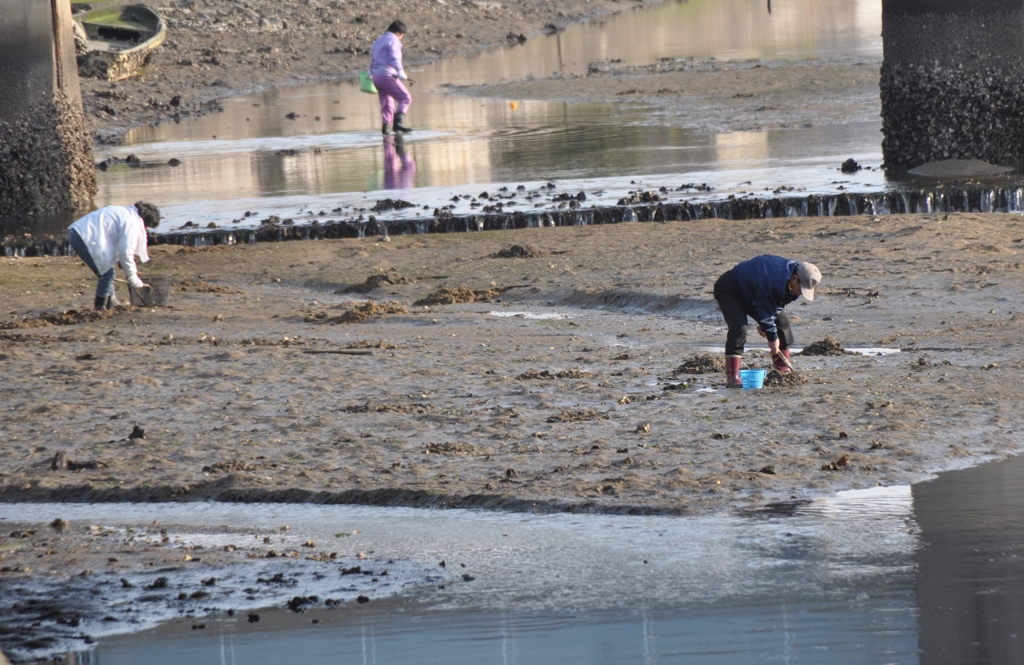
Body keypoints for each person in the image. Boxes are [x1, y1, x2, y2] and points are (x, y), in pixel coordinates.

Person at [713, 255, 821, 387]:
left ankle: (782, 368)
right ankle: (733, 377)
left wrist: (768, 324)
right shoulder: (773, 282)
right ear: (794, 278)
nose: (800, 293)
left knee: (782, 322)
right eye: (801, 289)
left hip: (755, 291)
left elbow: (778, 304)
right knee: (739, 328)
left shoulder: (794, 286)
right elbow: (763, 311)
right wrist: (772, 337)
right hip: (731, 290)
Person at [67, 202, 160, 310]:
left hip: (77, 232)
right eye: (147, 227)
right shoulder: (132, 222)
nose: (146, 229)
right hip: (83, 237)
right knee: (107, 274)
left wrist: (121, 260)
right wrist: (132, 275)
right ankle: (99, 307)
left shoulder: (126, 213)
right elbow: (126, 251)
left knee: (107, 269)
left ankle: (112, 301)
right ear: (145, 220)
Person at [370, 20, 413, 136]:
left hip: (376, 76)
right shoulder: (393, 40)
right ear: (399, 33)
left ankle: (386, 130)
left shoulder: (379, 40)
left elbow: (374, 58)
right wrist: (400, 70)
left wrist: (371, 71)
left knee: (387, 103)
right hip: (387, 75)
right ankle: (397, 124)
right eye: (402, 36)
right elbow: (394, 57)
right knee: (405, 98)